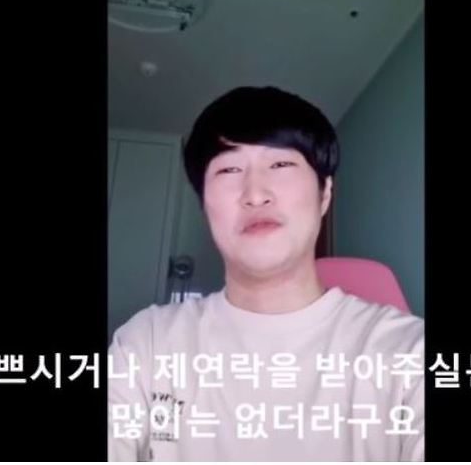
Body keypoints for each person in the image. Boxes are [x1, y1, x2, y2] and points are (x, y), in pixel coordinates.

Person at [108, 86, 424, 461]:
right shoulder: (147, 342)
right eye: (228, 169)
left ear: (325, 193)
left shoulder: (409, 352)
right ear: (204, 205)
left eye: (280, 165)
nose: (255, 194)